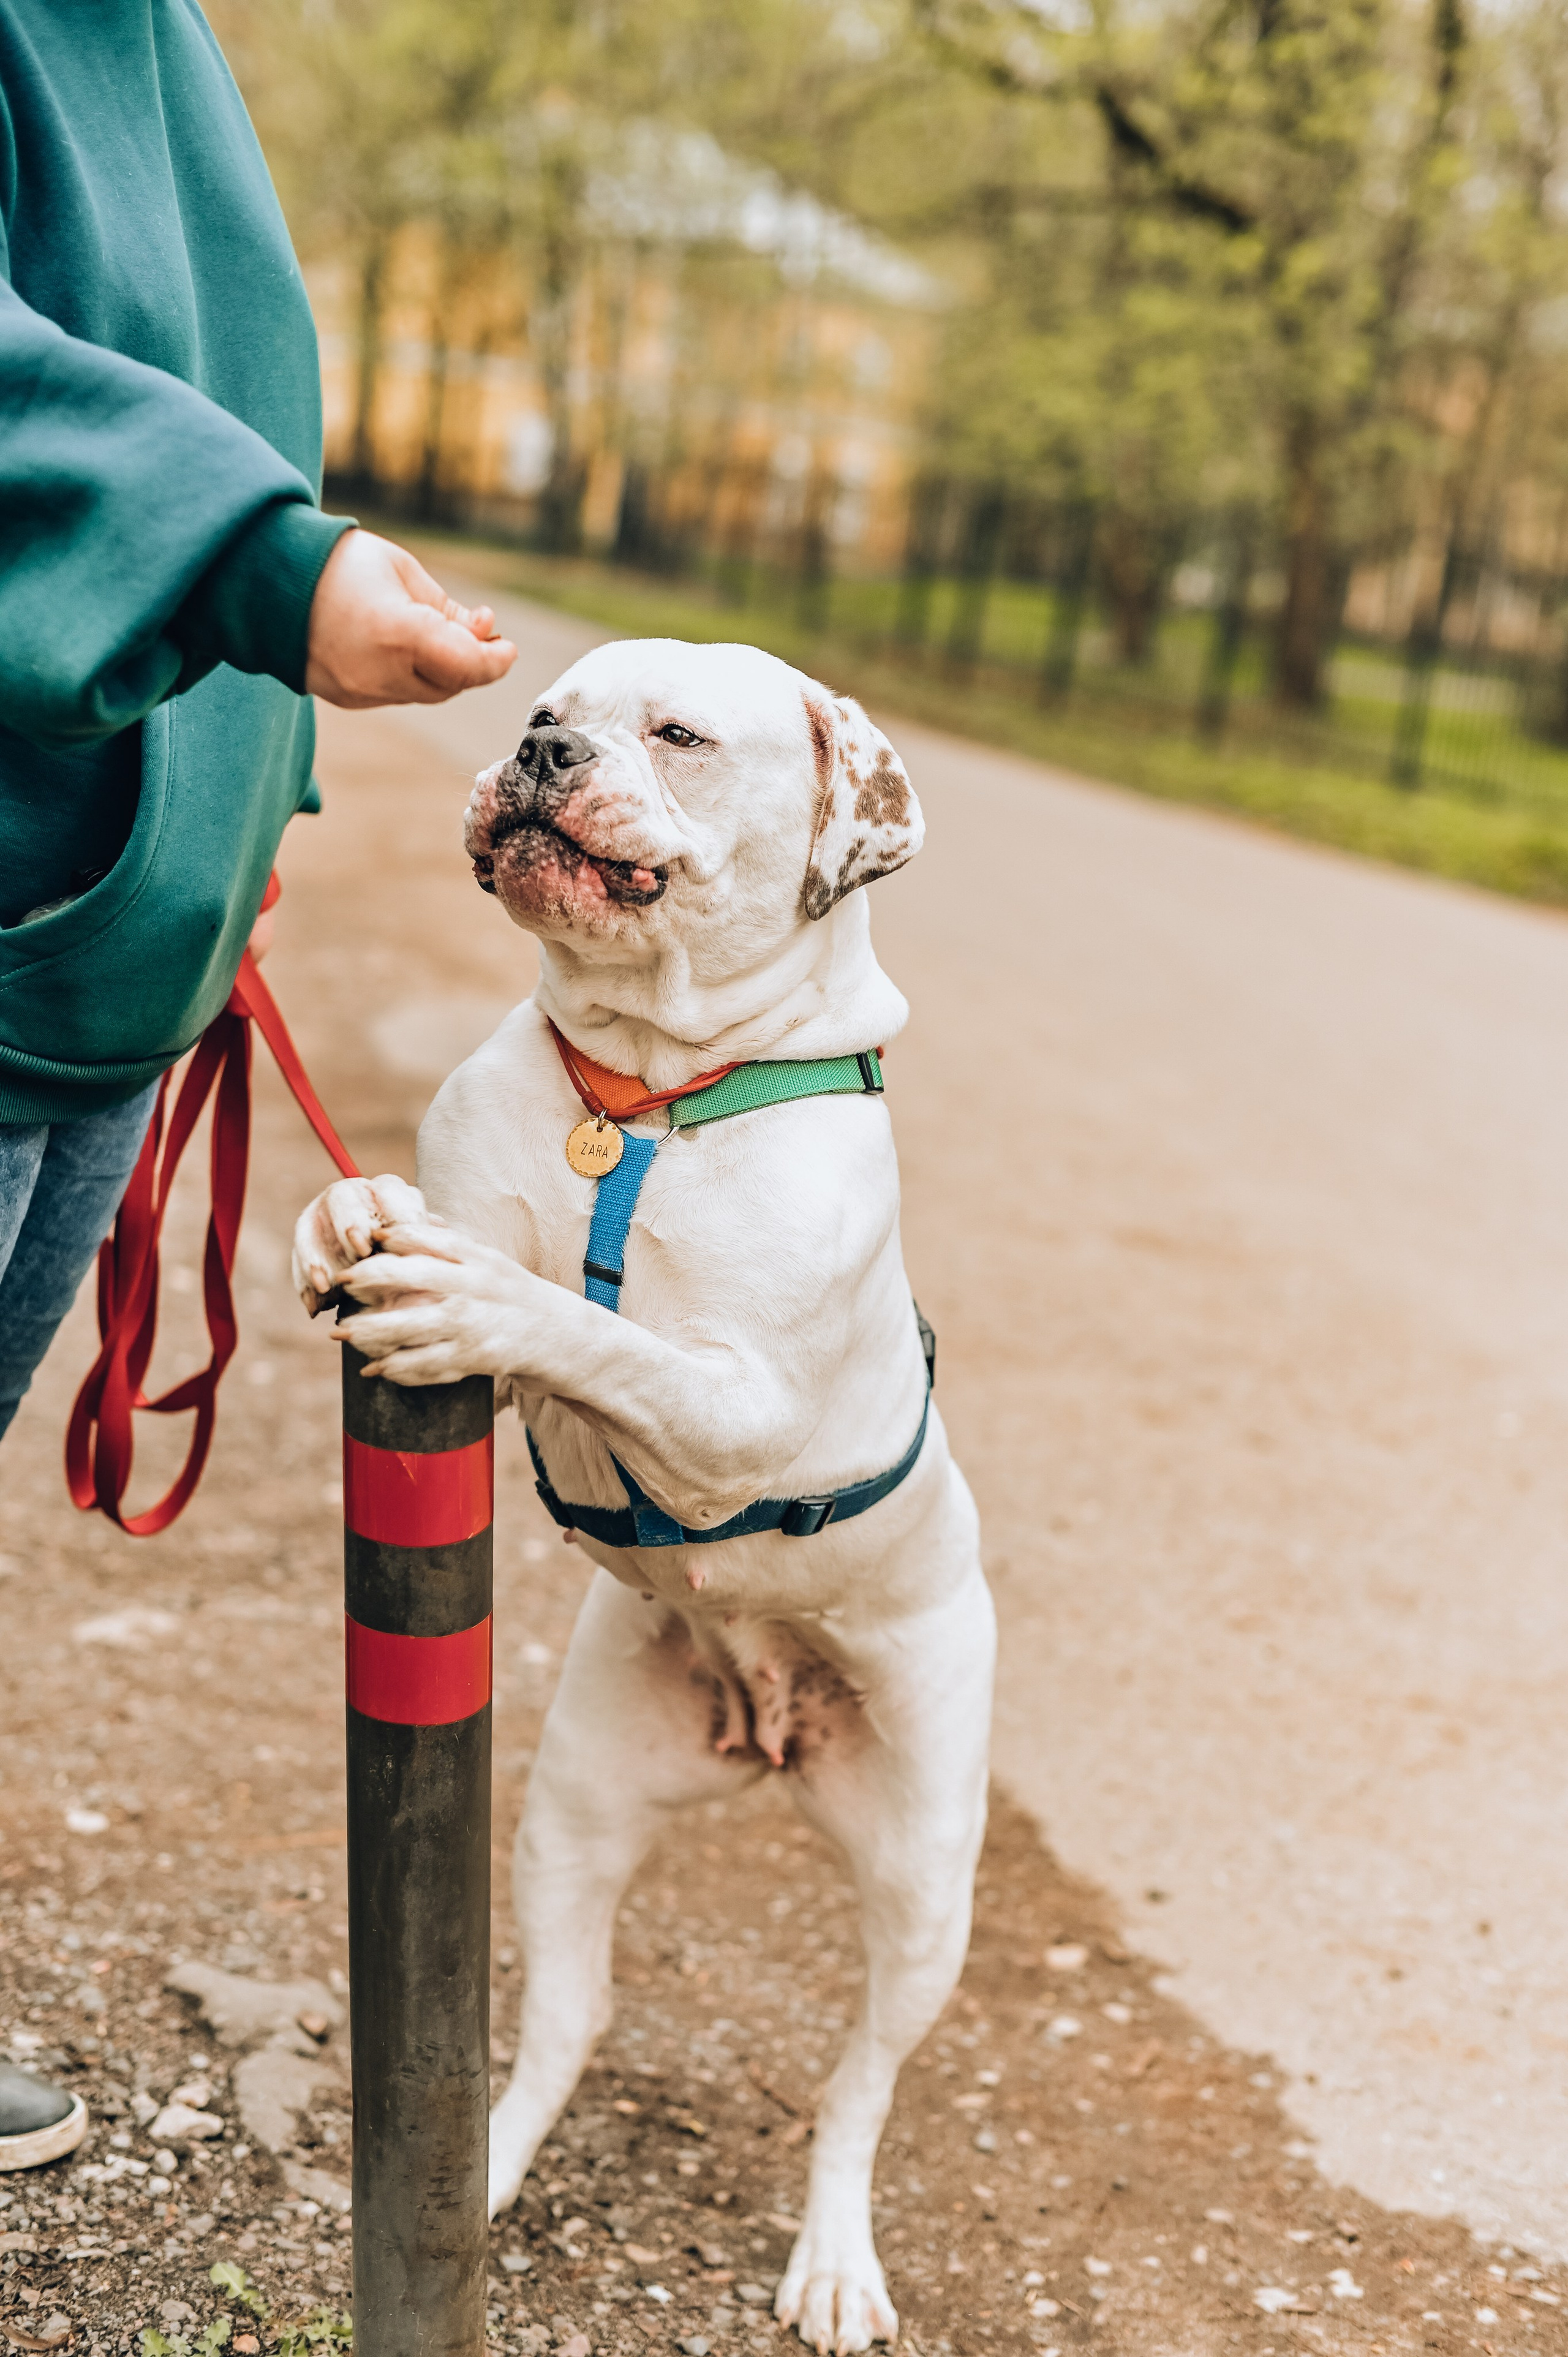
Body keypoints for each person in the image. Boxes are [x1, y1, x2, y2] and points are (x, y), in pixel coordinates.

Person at [0, 0, 516, 2171]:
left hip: (99, 945)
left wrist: (247, 829)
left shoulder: (165, 35)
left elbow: (219, 394)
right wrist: (264, 574)